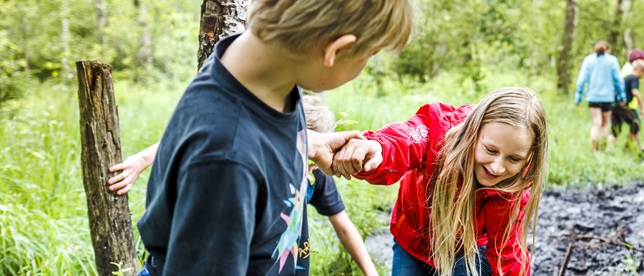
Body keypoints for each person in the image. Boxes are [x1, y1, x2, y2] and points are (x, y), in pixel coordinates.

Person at [135, 0, 415, 274]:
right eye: (370, 54)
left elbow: (260, 131)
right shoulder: (227, 162)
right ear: (334, 51)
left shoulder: (260, 73)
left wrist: (309, 143)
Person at [108, 95, 378, 275]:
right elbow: (203, 133)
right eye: (304, 152)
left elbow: (343, 224)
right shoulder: (253, 158)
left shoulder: (316, 174)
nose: (308, 164)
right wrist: (142, 159)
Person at [329, 88, 548, 276]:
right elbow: (404, 141)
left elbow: (506, 254)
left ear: (530, 156)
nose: (497, 167)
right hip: (413, 242)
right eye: (490, 150)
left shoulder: (513, 186)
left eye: (514, 158)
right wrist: (377, 148)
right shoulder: (438, 131)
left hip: (468, 250)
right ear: (474, 131)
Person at [574, 41, 627, 151]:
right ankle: (602, 149)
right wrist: (622, 96)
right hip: (607, 98)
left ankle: (594, 148)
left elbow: (581, 80)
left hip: (593, 97)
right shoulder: (612, 60)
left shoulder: (588, 60)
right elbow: (618, 80)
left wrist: (578, 96)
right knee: (604, 124)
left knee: (596, 123)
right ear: (607, 49)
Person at [610, 55, 644, 148]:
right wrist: (642, 106)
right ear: (639, 70)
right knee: (635, 123)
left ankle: (609, 149)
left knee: (615, 129)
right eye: (643, 73)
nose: (642, 76)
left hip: (614, 105)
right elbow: (635, 92)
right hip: (623, 106)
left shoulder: (625, 78)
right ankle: (628, 147)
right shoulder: (634, 78)